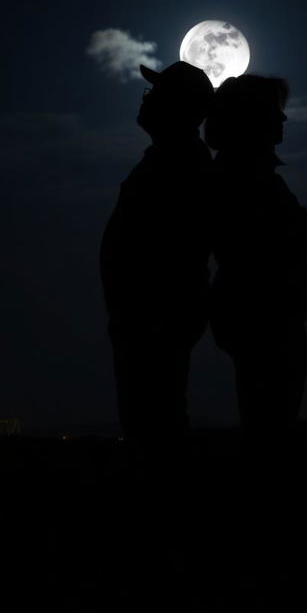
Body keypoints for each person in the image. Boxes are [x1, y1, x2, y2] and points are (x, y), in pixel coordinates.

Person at [100, 61, 214, 460]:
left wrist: (152, 315)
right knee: (151, 421)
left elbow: (172, 251)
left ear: (178, 107)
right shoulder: (171, 159)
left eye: (156, 92)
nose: (146, 98)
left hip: (156, 320)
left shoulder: (181, 164)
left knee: (155, 426)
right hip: (147, 319)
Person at [204, 74, 307, 446]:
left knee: (268, 419)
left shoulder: (247, 175)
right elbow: (304, 236)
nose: (283, 119)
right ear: (252, 118)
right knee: (270, 424)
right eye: (274, 111)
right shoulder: (249, 180)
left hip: (258, 313)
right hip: (264, 315)